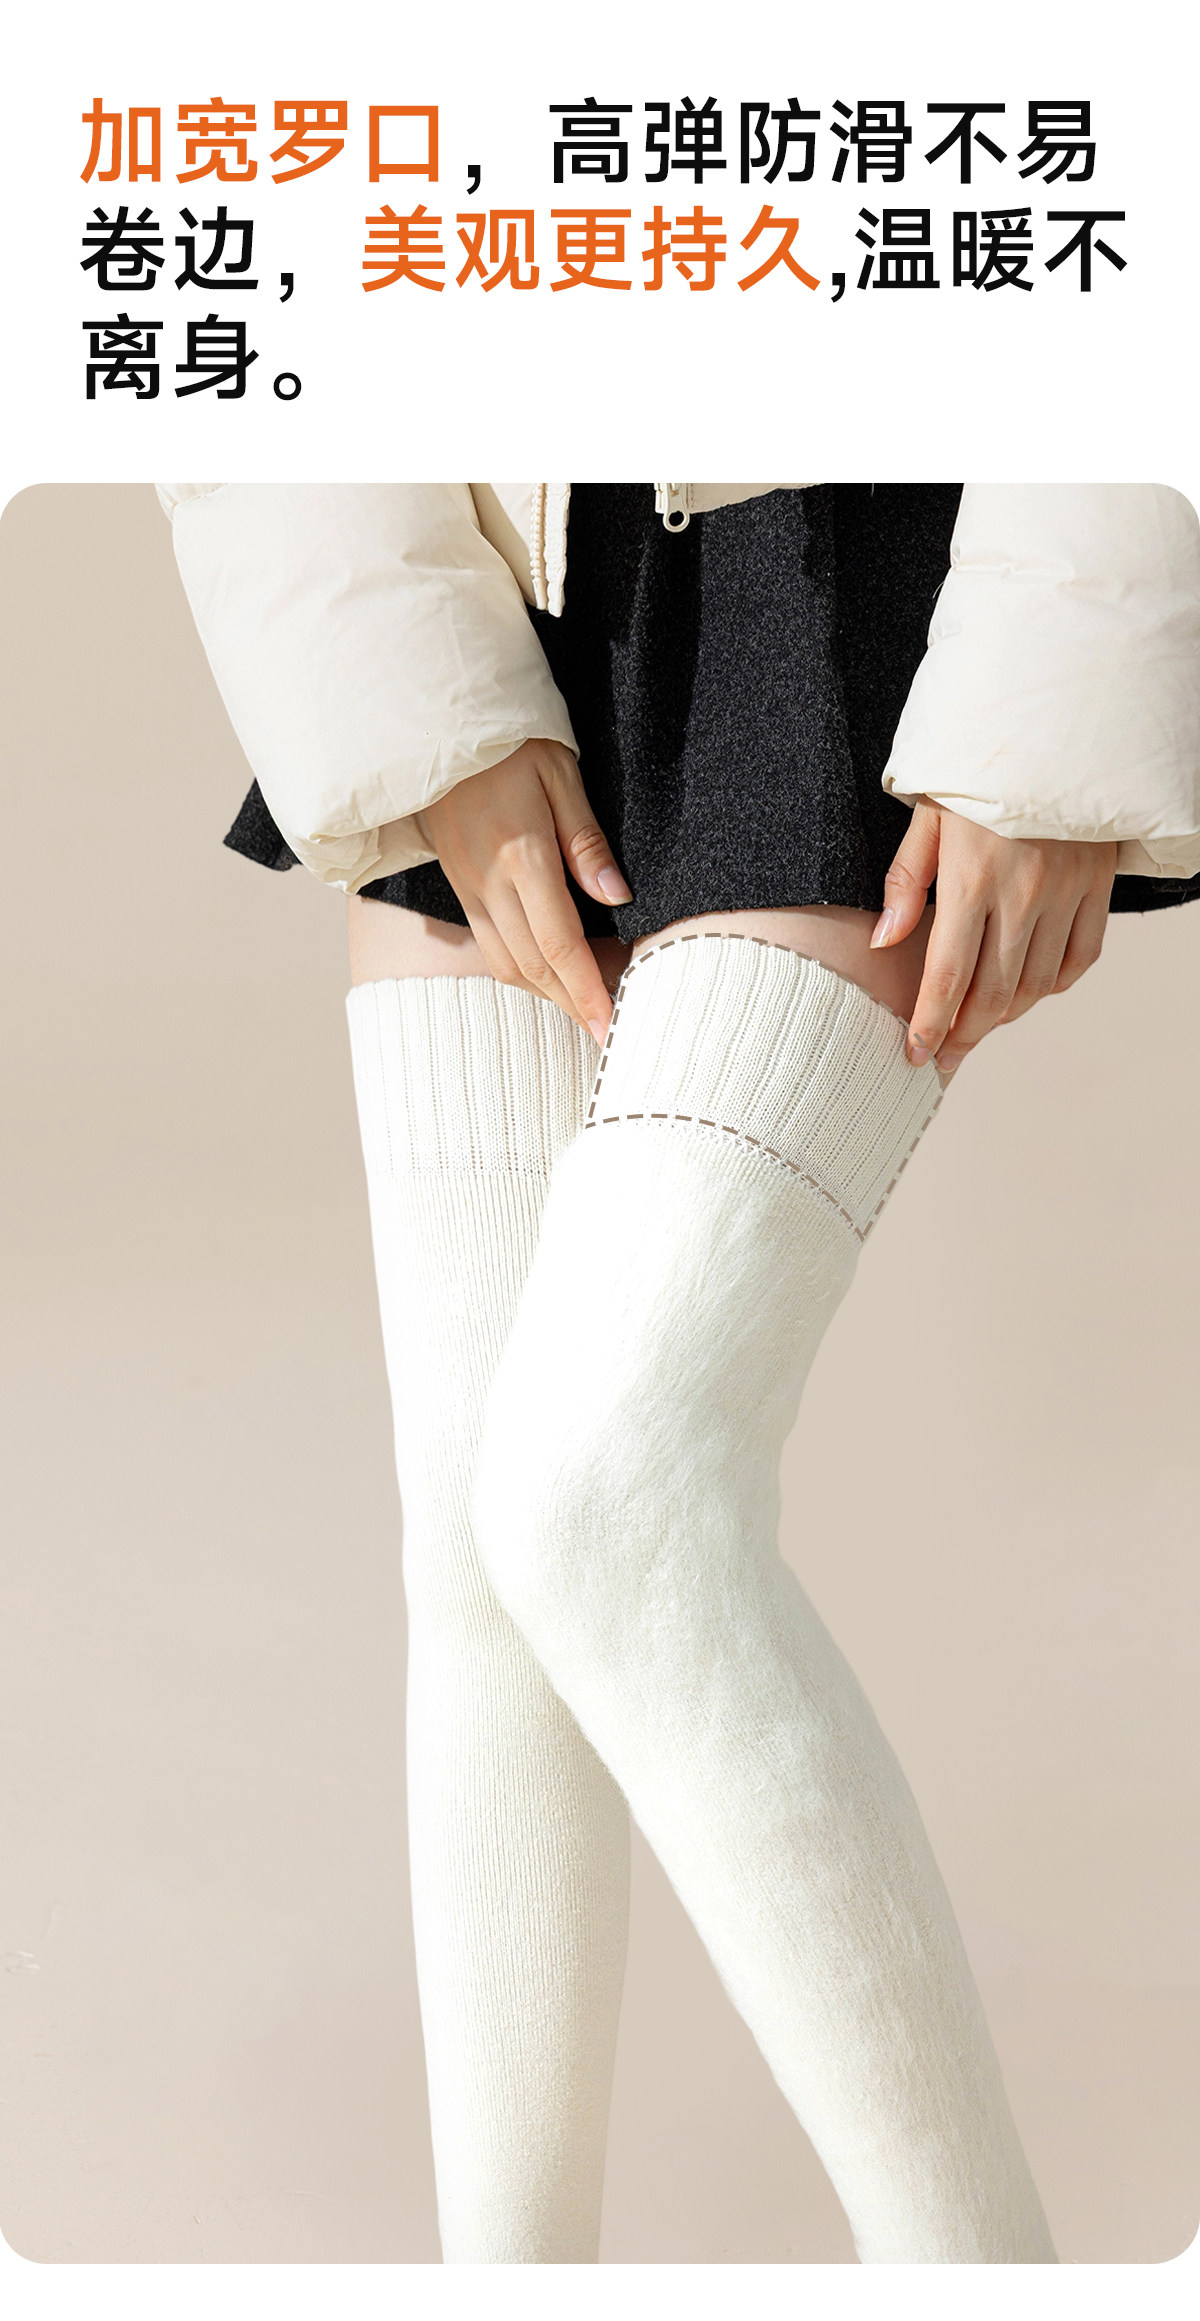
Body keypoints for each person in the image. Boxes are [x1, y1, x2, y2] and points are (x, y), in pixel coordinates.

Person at [159, 479, 1200, 2265]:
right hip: (477, 547)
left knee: (600, 1495)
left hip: (872, 536)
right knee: (480, 1570)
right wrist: (407, 679)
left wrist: (1057, 669)